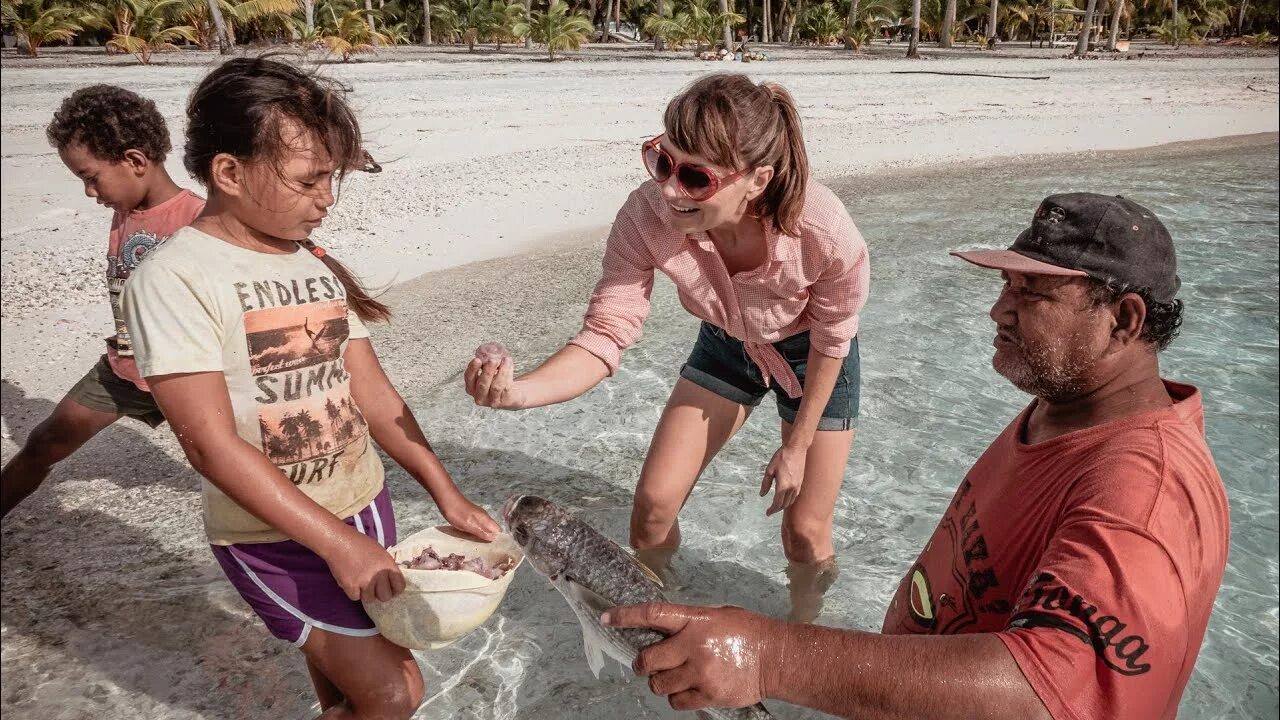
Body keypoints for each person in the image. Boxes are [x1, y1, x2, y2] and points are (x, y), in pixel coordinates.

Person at [602, 193, 1229, 720]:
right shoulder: (1065, 409)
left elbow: (1048, 692)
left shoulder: (1146, 492)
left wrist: (770, 657)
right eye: (1006, 284)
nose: (998, 310)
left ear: (1123, 319)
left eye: (1032, 295)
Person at [121, 57, 500, 719]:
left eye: (333, 178)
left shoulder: (313, 265)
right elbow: (209, 446)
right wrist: (335, 542)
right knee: (394, 692)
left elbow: (374, 397)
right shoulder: (174, 278)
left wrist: (445, 491)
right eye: (309, 179)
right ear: (229, 173)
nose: (327, 198)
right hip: (272, 537)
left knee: (343, 676)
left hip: (364, 504)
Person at [465, 73, 870, 621]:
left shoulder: (822, 230)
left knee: (803, 531)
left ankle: (804, 634)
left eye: (696, 177)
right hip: (727, 345)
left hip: (814, 355)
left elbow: (833, 337)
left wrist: (796, 447)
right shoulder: (645, 217)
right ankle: (658, 624)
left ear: (758, 179)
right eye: (662, 161)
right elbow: (607, 332)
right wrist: (518, 393)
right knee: (652, 511)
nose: (670, 189)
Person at [1, 85, 205, 518]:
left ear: (134, 161)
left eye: (90, 177)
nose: (90, 192)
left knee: (225, 469)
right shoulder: (126, 206)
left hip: (193, 377)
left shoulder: (201, 219)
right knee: (43, 443)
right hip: (126, 368)